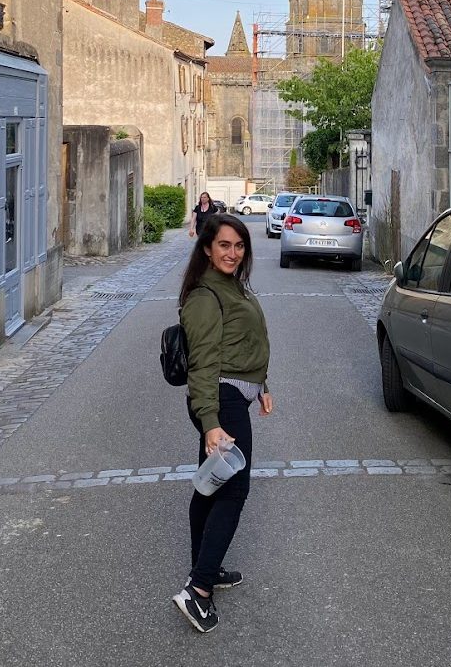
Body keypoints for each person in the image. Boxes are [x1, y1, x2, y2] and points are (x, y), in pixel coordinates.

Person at [172, 213, 273, 634]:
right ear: (208, 249)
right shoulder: (204, 297)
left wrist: (261, 383)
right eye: (224, 246)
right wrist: (211, 422)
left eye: (239, 246)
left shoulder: (231, 286)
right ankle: (198, 591)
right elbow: (203, 366)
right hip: (221, 402)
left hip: (236, 396)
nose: (233, 253)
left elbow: (244, 342)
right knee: (233, 490)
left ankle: (205, 569)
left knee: (209, 485)